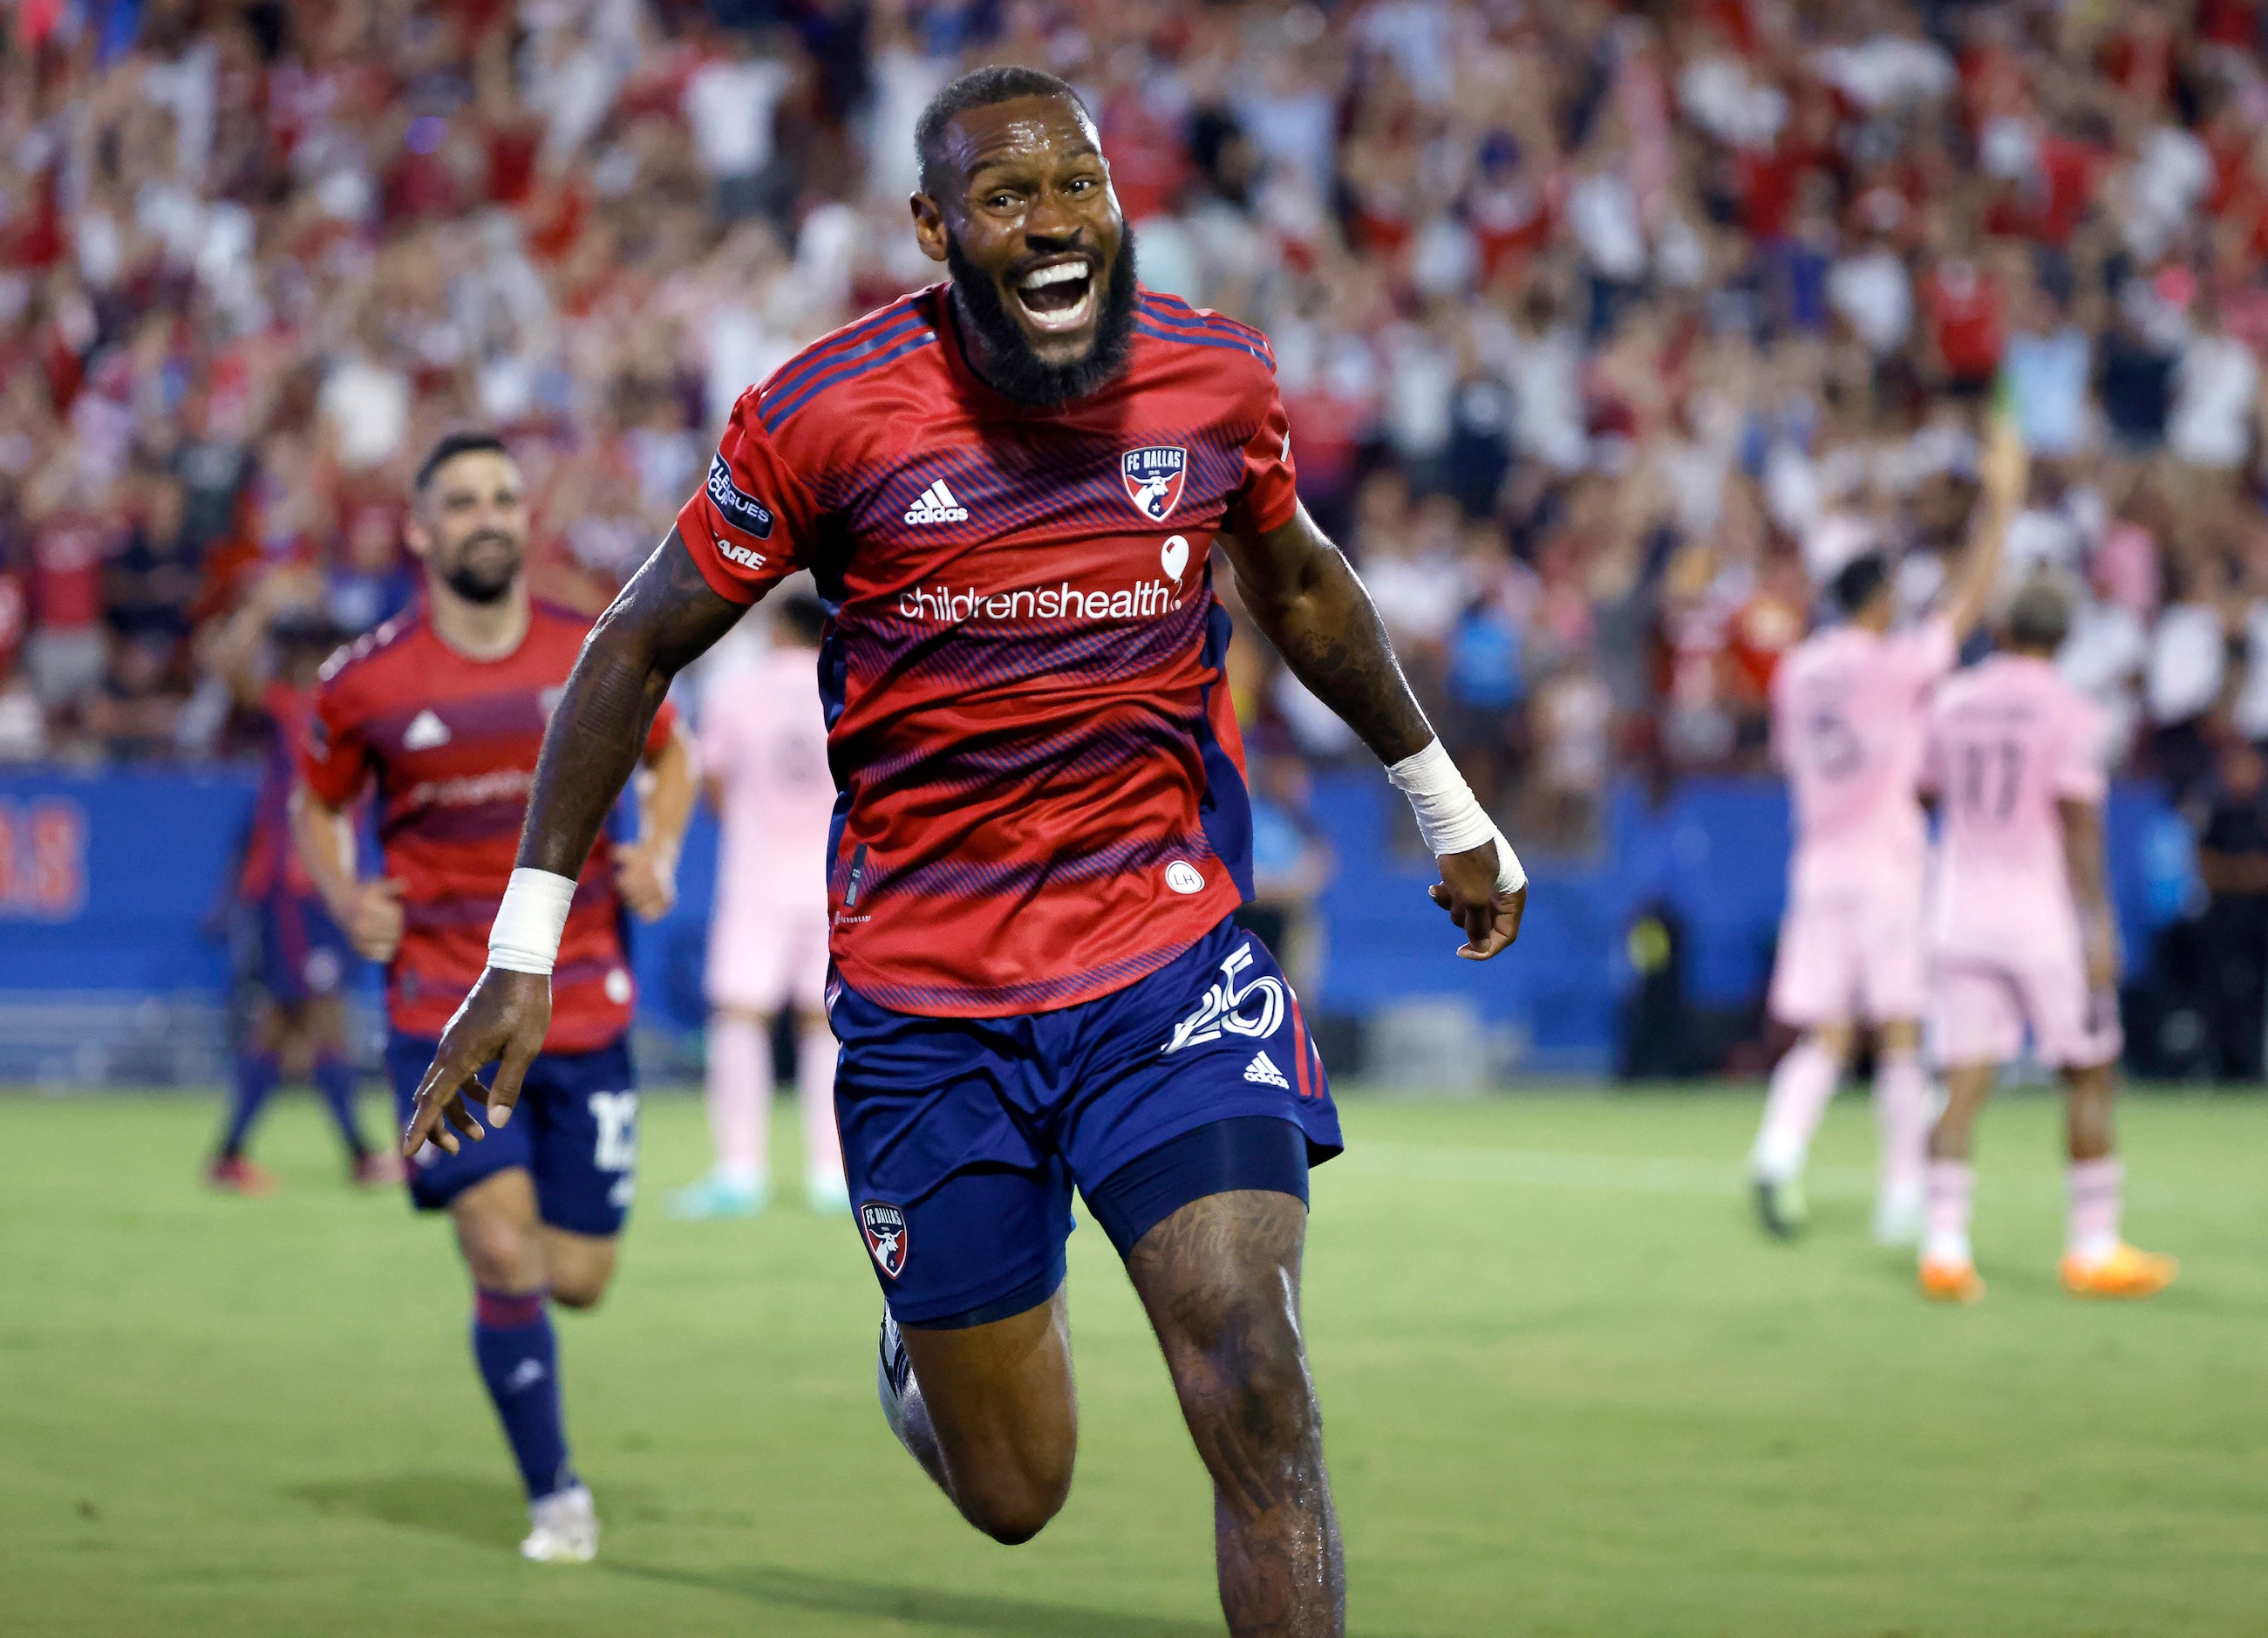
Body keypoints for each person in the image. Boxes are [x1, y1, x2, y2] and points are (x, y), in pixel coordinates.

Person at [403, 67, 1524, 1638]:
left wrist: (1447, 805)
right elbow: (629, 648)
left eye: (1080, 186)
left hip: (1166, 968)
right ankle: (917, 1344)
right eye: (1008, 197)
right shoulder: (823, 414)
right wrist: (523, 946)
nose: (1055, 221)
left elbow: (1309, 590)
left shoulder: (1215, 380)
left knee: (1253, 1372)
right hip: (931, 1013)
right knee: (1016, 1490)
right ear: (935, 228)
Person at [290, 433, 696, 1562]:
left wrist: (657, 850)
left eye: (503, 499)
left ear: (527, 522)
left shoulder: (596, 650)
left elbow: (675, 760)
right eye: (460, 500)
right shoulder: (363, 681)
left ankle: (548, 1447)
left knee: (577, 1276)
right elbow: (315, 806)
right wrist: (344, 891)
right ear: (418, 531)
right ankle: (555, 1495)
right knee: (503, 1252)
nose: (485, 515)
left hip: (587, 1002)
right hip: (439, 1002)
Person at [1747, 419, 2026, 1243]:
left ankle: (1775, 1153)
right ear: (1875, 603)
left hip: (1816, 864)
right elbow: (1965, 608)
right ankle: (1904, 1195)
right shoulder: (1887, 662)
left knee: (1827, 1031)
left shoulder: (1797, 673)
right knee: (1901, 1034)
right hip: (1884, 865)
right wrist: (2000, 508)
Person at [1915, 574, 2176, 1303]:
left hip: (1959, 912)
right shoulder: (2069, 711)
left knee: (1962, 1081)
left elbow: (1924, 790)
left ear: (1999, 629)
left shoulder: (1953, 700)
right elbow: (2080, 825)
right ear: (2063, 638)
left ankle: (1943, 1248)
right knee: (2088, 1073)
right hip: (2038, 919)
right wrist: (2099, 923)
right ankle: (2091, 1247)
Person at [205, 570, 393, 1193]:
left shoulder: (358, 719)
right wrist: (259, 604)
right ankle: (362, 1157)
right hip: (293, 889)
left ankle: (230, 1155)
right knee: (323, 1017)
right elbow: (229, 664)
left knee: (286, 1025)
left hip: (327, 889)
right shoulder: (294, 709)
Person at [671, 590, 848, 1218]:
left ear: (777, 629)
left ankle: (739, 1171)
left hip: (756, 877)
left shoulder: (737, 689)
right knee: (824, 1024)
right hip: (830, 879)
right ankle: (832, 1173)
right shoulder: (847, 685)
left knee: (739, 1018)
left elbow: (711, 778)